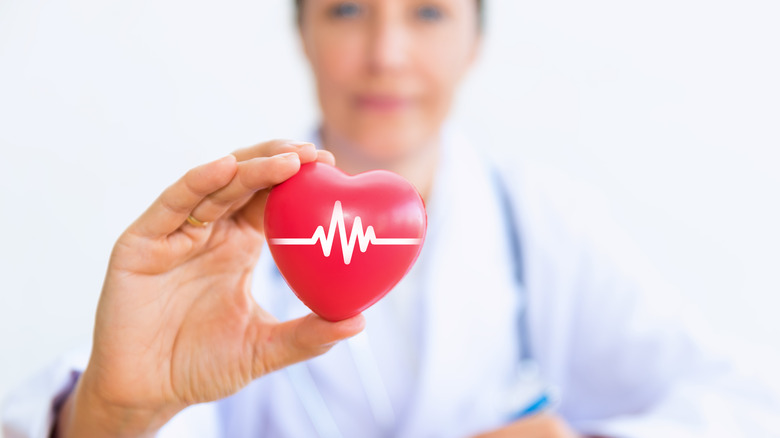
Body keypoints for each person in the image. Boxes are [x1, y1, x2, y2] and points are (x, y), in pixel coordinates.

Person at [3, 0, 779, 437]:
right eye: (346, 10)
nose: (387, 54)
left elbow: (750, 403)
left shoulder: (541, 222)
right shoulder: (218, 231)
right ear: (302, 32)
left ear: (477, 39)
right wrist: (107, 414)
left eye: (430, 14)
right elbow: (123, 406)